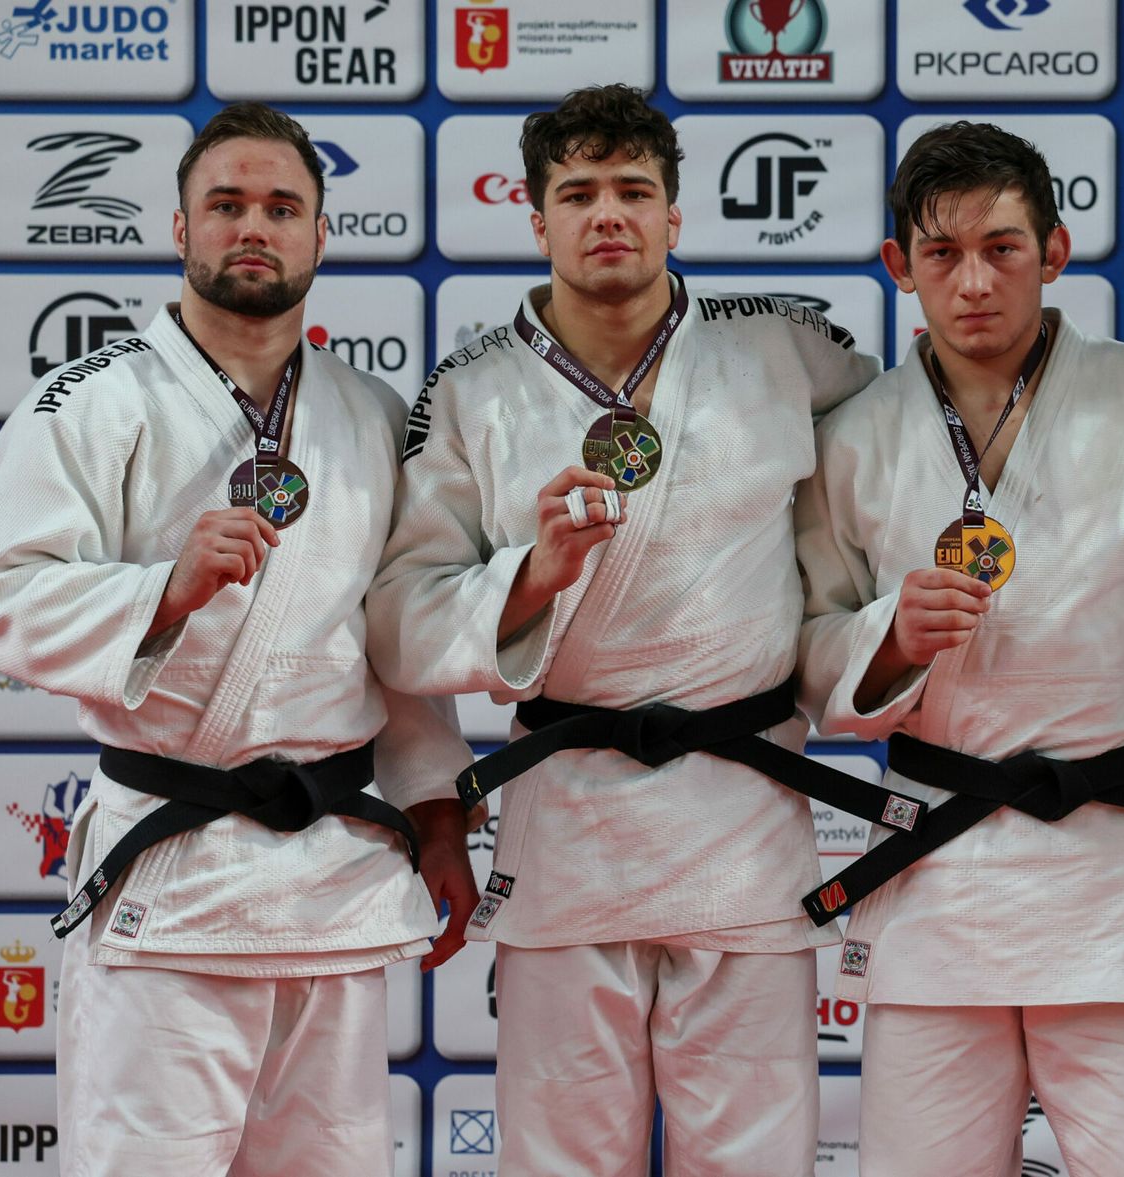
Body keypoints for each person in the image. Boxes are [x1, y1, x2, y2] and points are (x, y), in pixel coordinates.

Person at [367, 85, 882, 1176]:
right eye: (580, 193)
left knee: (756, 1158)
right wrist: (527, 580)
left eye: (634, 191)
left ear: (675, 216)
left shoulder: (786, 352)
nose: (609, 214)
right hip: (568, 827)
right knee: (559, 1158)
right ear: (536, 218)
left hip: (744, 819)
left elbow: (920, 440)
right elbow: (401, 621)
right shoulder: (471, 393)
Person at [0, 103, 477, 1176]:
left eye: (283, 207)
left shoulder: (374, 414)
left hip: (332, 878)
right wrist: (161, 590)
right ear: (182, 230)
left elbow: (396, 639)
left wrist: (436, 810)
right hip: (175, 873)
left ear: (321, 236)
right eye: (227, 205)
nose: (255, 226)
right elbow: (1, 600)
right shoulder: (87, 404)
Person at [793, 122, 1124, 1176]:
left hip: (1119, 870)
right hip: (940, 873)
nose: (975, 282)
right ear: (900, 266)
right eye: (942, 254)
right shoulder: (853, 435)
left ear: (1056, 250)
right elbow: (810, 655)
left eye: (1003, 247)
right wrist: (888, 639)